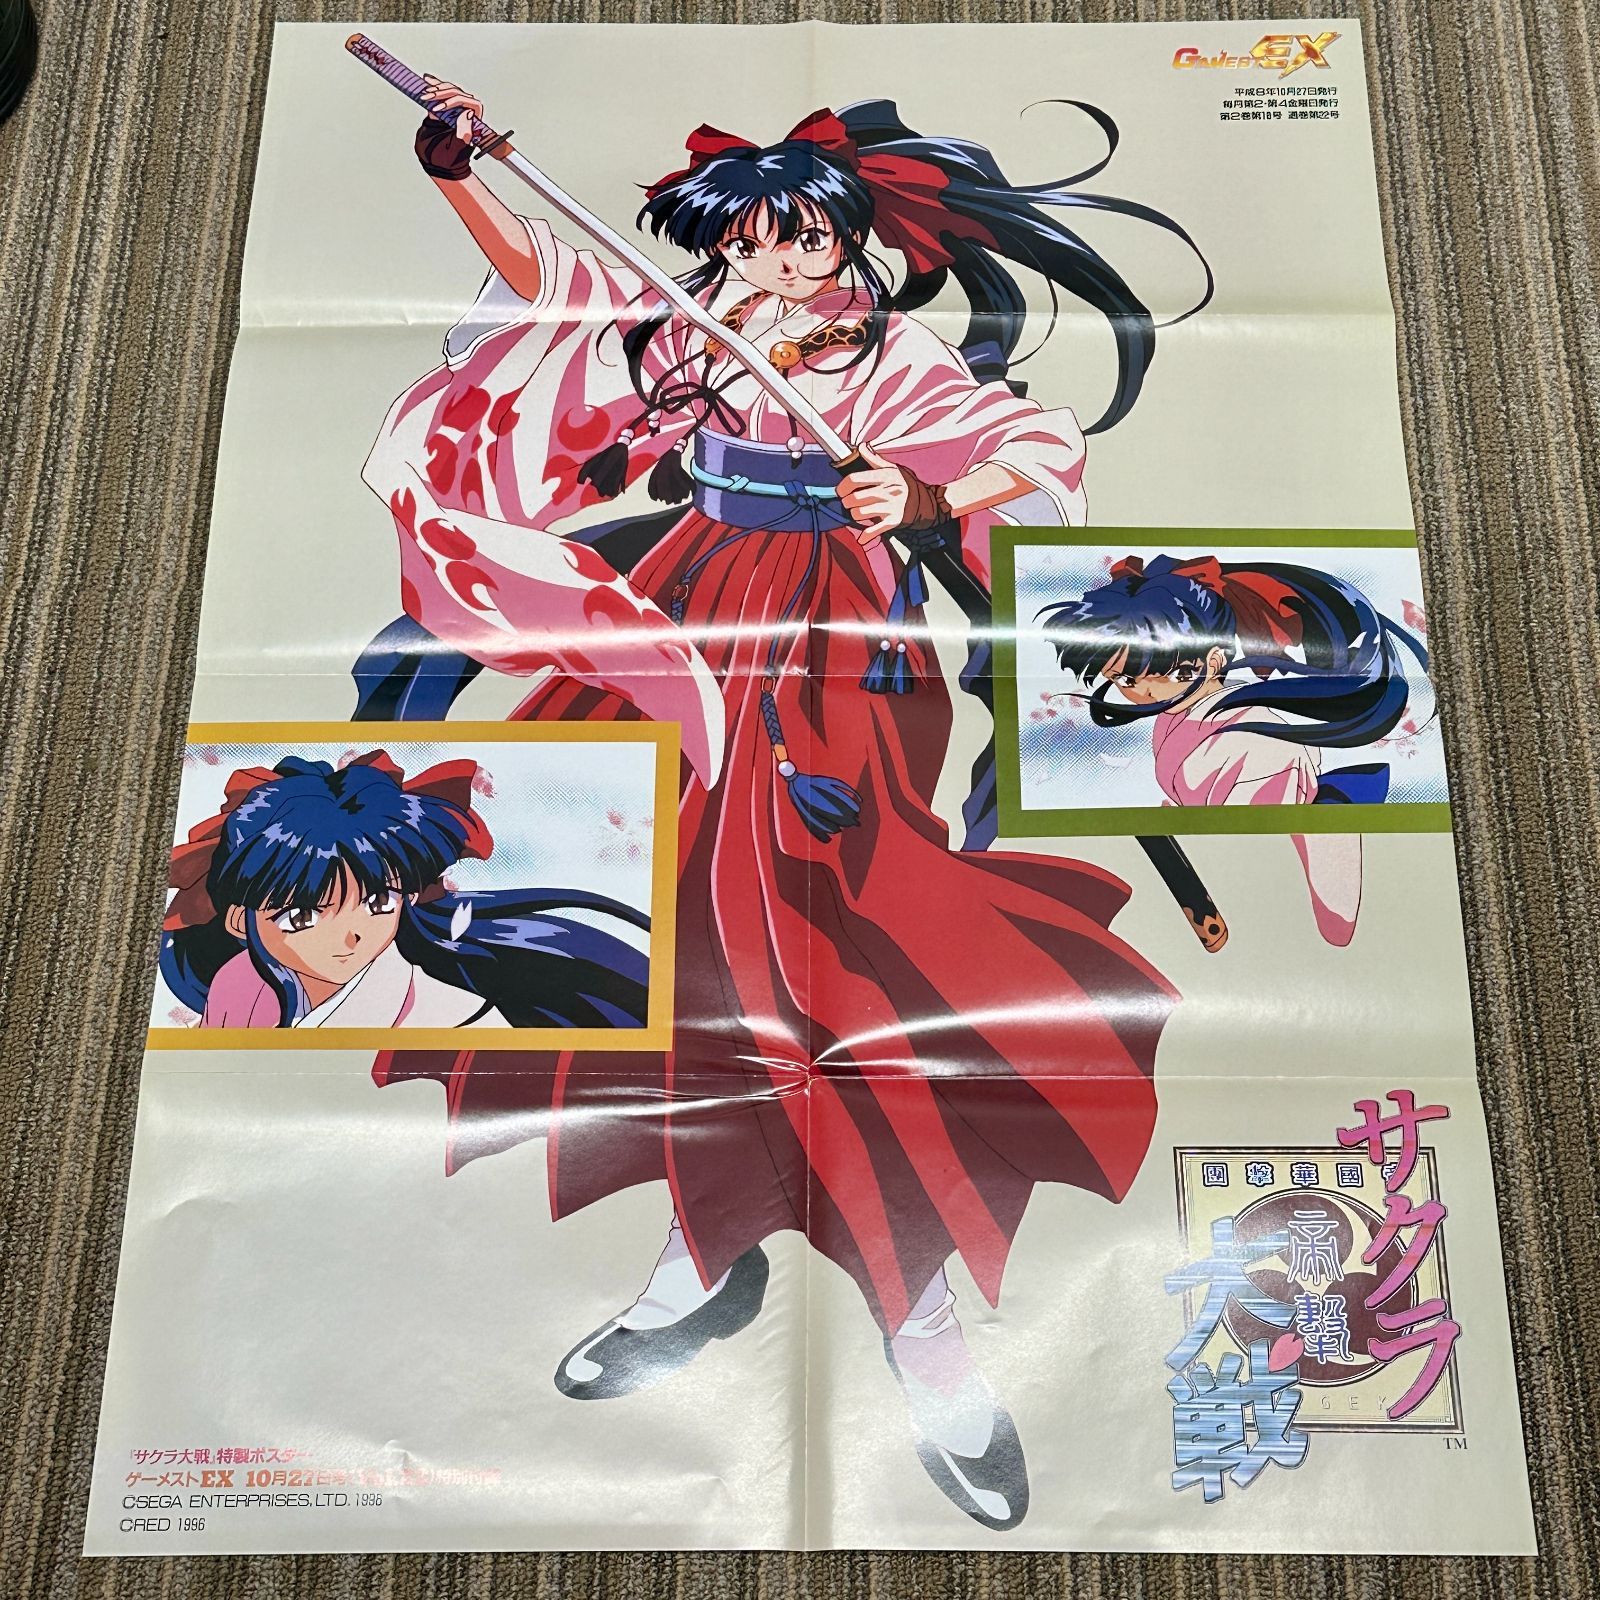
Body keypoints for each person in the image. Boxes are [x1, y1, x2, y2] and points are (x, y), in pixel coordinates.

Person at [362, 87, 1210, 1529]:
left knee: (839, 956)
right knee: (656, 937)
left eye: (806, 237)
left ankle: (919, 1325)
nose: (783, 260)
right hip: (679, 611)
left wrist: (922, 500)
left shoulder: (886, 352)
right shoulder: (696, 324)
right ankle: (703, 1257)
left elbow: (1025, 450)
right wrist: (456, 173)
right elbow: (554, 281)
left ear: (847, 237)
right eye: (754, 240)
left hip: (833, 638)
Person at [1041, 553, 1429, 946]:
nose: (1147, 691)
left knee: (1314, 932)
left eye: (1172, 672)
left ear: (1212, 661)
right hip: (1221, 876)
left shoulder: (1253, 735)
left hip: (1269, 871)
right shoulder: (1179, 716)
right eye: (1124, 679)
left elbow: (1251, 847)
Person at [160, 750, 651, 1030]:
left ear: (409, 896)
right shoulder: (239, 983)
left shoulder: (444, 1013)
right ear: (237, 919)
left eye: (378, 902)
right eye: (302, 917)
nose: (350, 936)